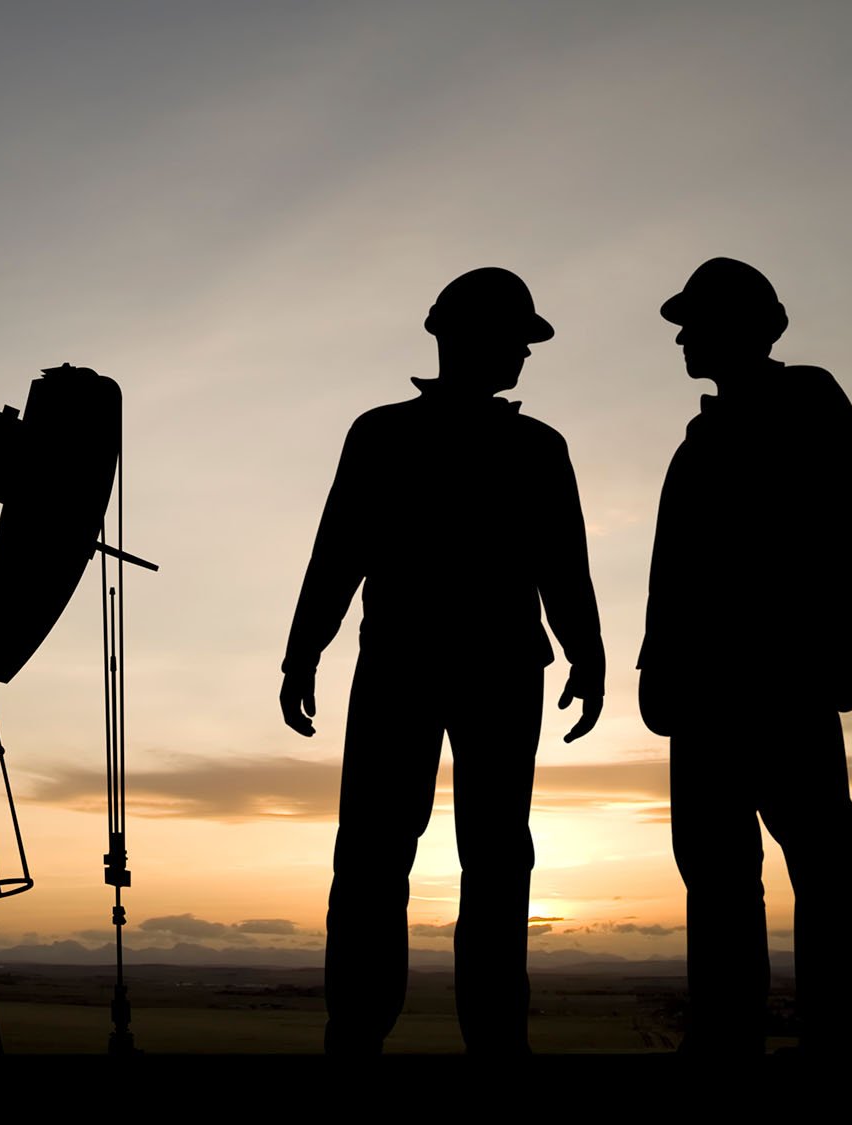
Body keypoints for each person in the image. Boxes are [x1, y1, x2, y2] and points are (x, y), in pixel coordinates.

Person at [279, 267, 604, 1054]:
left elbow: (563, 564)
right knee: (399, 851)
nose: (525, 354)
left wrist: (588, 654)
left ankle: (459, 1038)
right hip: (435, 668)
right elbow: (340, 551)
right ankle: (382, 1034)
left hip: (448, 667)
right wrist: (303, 651)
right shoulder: (403, 436)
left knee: (450, 852)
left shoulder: (513, 445)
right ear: (466, 340)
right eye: (515, 339)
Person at [638, 257, 852, 1053]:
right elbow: (674, 572)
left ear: (747, 328)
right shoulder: (697, 443)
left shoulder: (806, 398)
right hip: (702, 692)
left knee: (822, 857)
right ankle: (725, 1035)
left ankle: (841, 1036)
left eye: (696, 323)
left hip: (782, 676)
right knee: (717, 873)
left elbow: (848, 524)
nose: (682, 337)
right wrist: (658, 668)